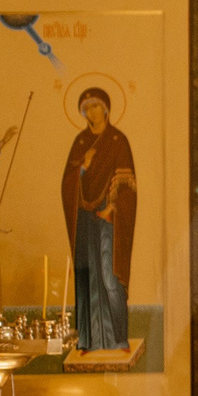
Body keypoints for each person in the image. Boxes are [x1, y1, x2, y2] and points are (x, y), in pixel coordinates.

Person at [61, 88, 136, 352]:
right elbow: (68, 183)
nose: (91, 112)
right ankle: (87, 340)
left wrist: (112, 208)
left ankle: (119, 338)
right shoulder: (81, 142)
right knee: (86, 275)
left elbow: (128, 185)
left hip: (108, 217)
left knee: (108, 275)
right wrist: (83, 165)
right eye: (86, 108)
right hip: (84, 217)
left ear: (105, 108)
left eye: (95, 106)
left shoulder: (117, 140)